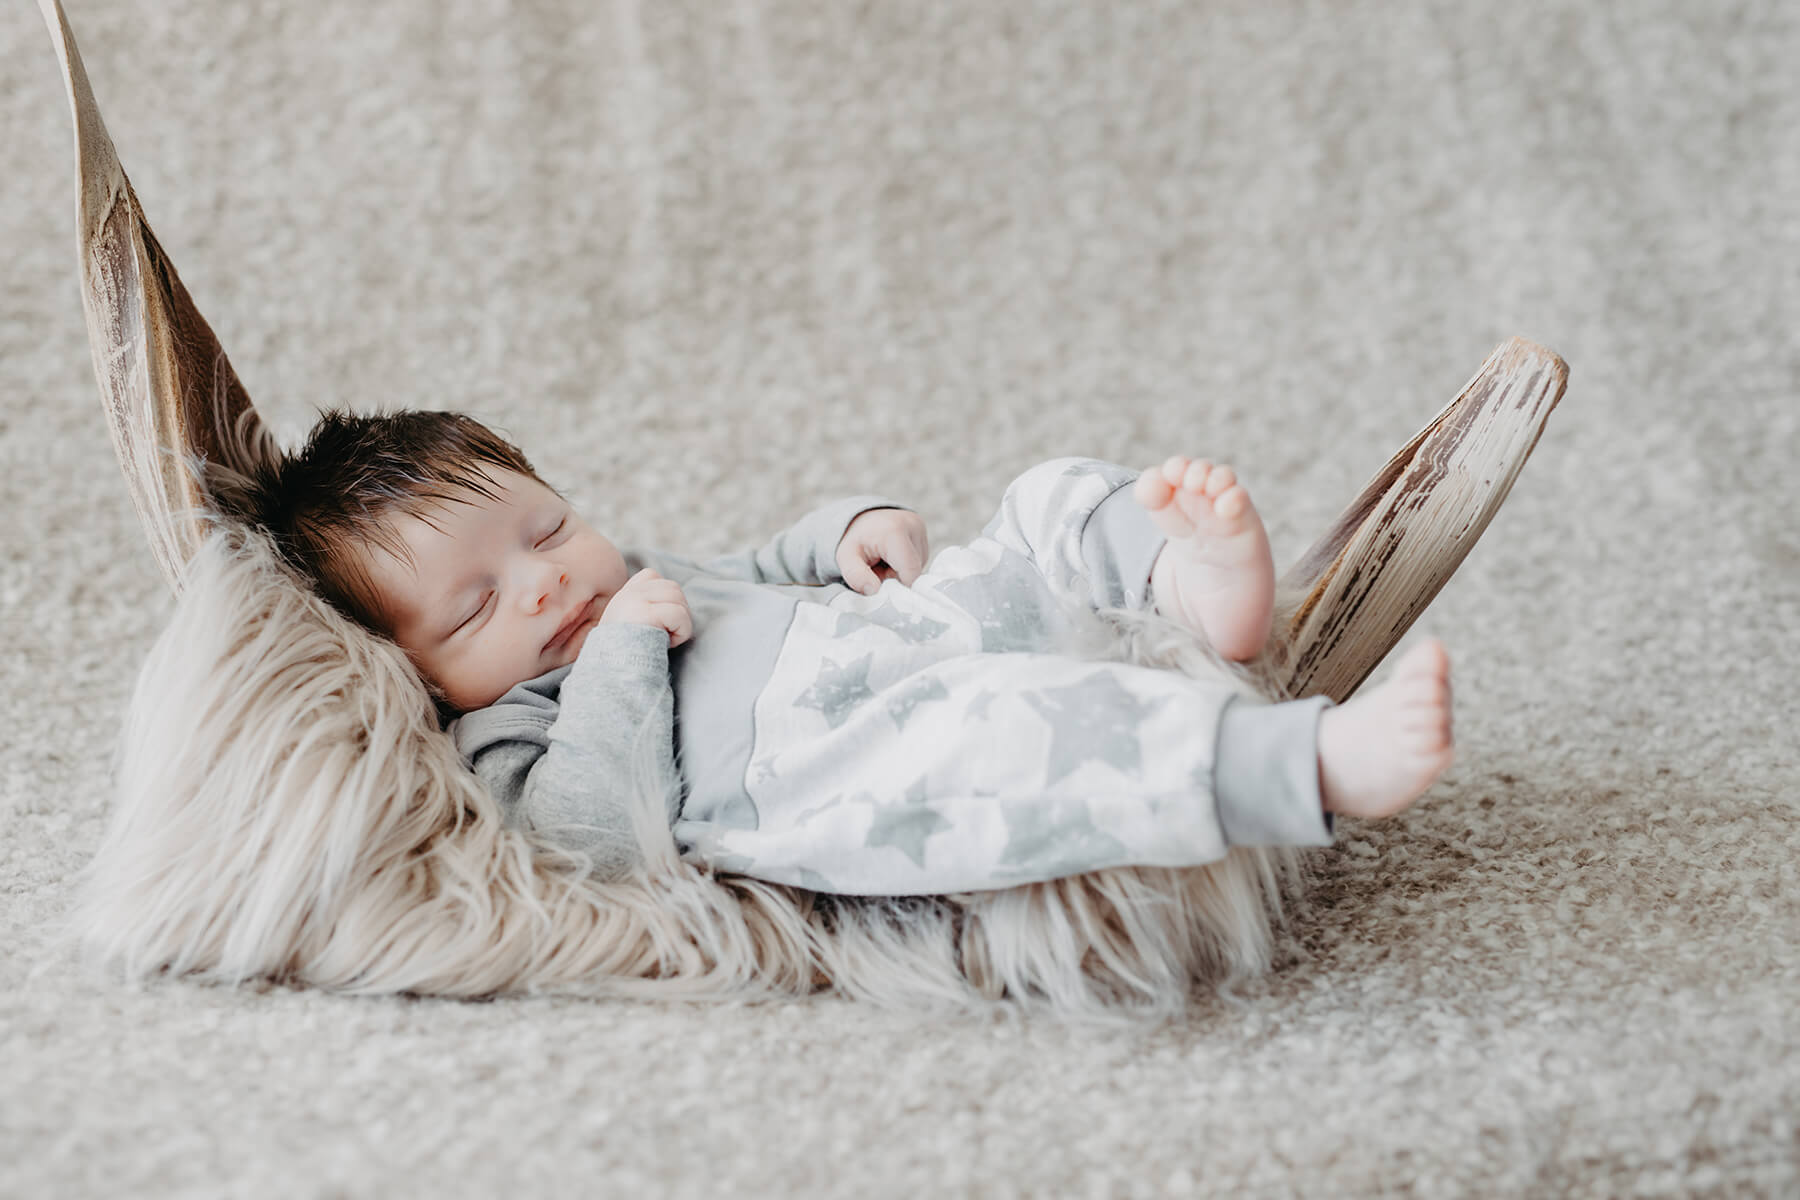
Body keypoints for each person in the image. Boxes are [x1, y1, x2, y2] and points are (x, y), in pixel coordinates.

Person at [251, 410, 1454, 895]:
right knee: (1014, 737)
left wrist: (840, 536)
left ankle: (1196, 590)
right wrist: (618, 658)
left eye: (547, 527)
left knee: (1041, 503)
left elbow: (749, 570)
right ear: (410, 674)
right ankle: (1304, 766)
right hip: (840, 759)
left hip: (903, 631)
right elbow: (589, 837)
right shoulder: (509, 729)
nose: (547, 579)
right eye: (473, 609)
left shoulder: (628, 579)